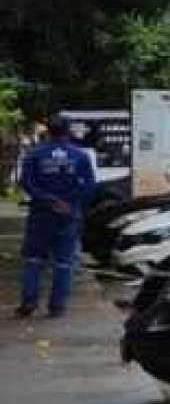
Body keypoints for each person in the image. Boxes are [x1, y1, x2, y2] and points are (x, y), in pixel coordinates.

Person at [16, 117, 97, 319]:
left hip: (40, 214)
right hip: (69, 215)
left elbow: (25, 182)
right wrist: (69, 204)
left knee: (34, 260)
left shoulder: (34, 155)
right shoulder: (80, 155)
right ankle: (57, 306)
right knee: (63, 262)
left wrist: (48, 200)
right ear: (68, 132)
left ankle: (29, 302)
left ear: (48, 132)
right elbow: (89, 186)